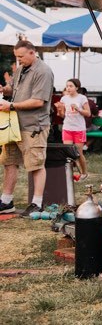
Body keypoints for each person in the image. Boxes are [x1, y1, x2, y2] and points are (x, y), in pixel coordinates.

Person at [0, 40, 54, 218]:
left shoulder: (43, 71)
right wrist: (5, 90)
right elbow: (13, 90)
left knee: (36, 165)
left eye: (21, 56)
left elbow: (38, 101)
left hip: (33, 126)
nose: (18, 60)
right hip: (14, 125)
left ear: (32, 52)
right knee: (9, 162)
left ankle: (37, 204)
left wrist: (12, 105)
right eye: (17, 57)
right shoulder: (21, 68)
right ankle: (6, 201)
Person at [55, 78, 91, 179]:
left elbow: (88, 113)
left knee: (78, 153)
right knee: (68, 152)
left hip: (79, 129)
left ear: (77, 87)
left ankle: (84, 172)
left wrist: (78, 109)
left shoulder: (82, 98)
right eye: (67, 86)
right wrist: (59, 110)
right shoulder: (64, 99)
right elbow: (62, 116)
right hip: (67, 128)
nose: (68, 88)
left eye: (71, 86)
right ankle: (68, 174)